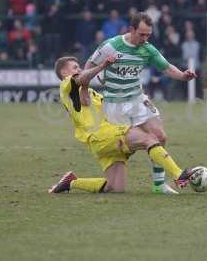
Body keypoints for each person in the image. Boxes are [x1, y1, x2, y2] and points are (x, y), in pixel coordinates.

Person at [84, 12, 196, 194]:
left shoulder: (148, 49)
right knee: (126, 150)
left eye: (148, 35)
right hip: (114, 105)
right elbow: (88, 65)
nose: (145, 39)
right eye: (141, 34)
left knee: (160, 136)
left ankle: (159, 185)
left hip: (137, 99)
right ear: (131, 29)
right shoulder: (111, 45)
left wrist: (183, 75)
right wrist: (83, 89)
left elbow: (167, 67)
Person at [49, 56, 197, 194]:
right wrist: (103, 65)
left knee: (115, 187)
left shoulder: (90, 93)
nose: (79, 69)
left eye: (79, 67)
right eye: (75, 67)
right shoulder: (66, 85)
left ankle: (72, 182)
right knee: (150, 139)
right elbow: (83, 78)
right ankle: (179, 174)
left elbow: (106, 104)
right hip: (103, 135)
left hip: (100, 142)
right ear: (64, 72)